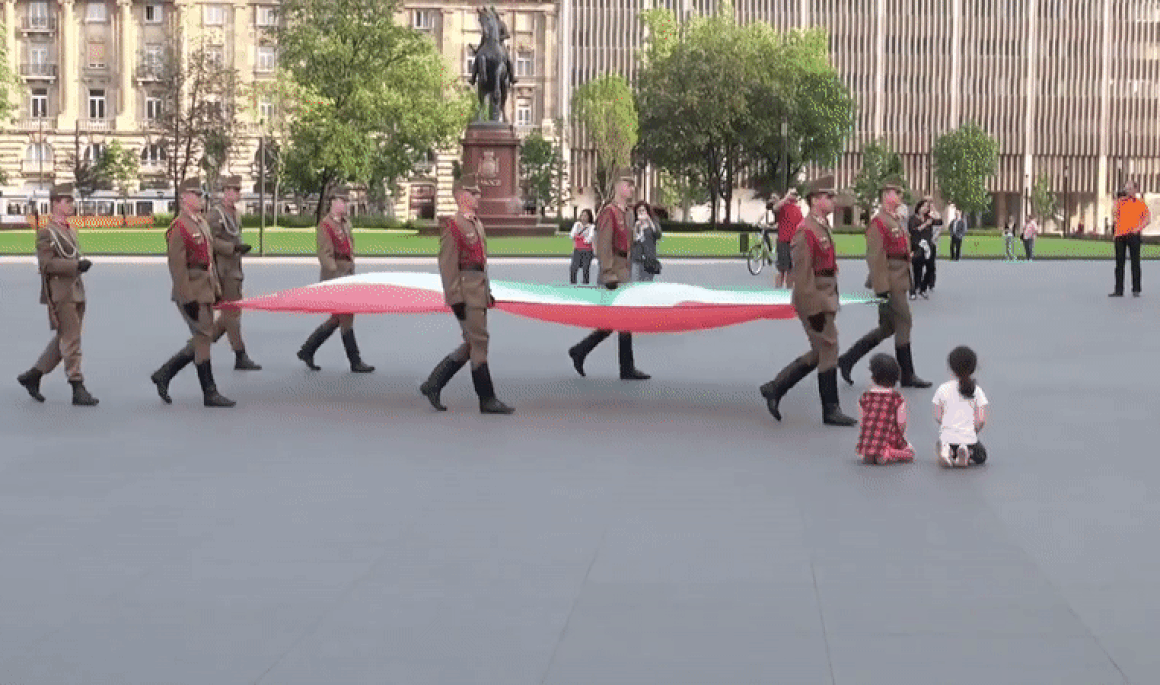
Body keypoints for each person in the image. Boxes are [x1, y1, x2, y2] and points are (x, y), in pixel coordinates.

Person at [759, 174, 857, 427]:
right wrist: (813, 310)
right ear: (814, 200)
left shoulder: (820, 226)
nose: (832, 200)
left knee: (821, 350)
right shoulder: (805, 231)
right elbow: (802, 277)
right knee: (829, 347)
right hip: (813, 298)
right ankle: (830, 409)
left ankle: (775, 388)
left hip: (825, 295)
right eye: (828, 196)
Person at [420, 172, 514, 415]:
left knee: (474, 342)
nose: (477, 196)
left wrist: (487, 290)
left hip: (477, 292)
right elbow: (448, 266)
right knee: (479, 342)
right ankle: (487, 398)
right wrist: (455, 299)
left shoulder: (476, 224)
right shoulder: (454, 226)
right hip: (465, 294)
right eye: (473, 193)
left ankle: (434, 383)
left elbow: (481, 263)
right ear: (461, 195)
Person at [837, 177, 932, 389]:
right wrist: (881, 288)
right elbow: (875, 257)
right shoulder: (879, 222)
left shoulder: (893, 220)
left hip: (899, 276)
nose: (900, 197)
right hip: (890, 280)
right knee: (904, 321)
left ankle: (848, 359)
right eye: (896, 193)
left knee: (888, 327)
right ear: (887, 195)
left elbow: (899, 248)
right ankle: (907, 374)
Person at [149, 177, 235, 408]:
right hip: (191, 290)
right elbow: (177, 269)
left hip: (205, 287)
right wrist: (187, 299)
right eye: (196, 194)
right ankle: (209, 392)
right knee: (204, 337)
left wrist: (216, 289)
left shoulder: (201, 224)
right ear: (184, 198)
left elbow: (209, 261)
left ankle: (165, 374)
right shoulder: (179, 228)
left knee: (203, 336)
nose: (200, 198)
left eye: (201, 194)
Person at [17, 183, 99, 406]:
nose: (72, 204)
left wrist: (77, 267)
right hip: (61, 293)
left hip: (75, 289)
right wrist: (75, 266)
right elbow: (46, 264)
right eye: (67, 201)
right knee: (71, 340)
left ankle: (33, 375)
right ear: (55, 203)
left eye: (71, 200)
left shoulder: (69, 230)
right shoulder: (47, 232)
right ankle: (77, 385)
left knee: (66, 338)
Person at [567, 169, 650, 381]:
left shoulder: (628, 213)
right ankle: (621, 366)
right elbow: (603, 245)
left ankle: (583, 352)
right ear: (617, 187)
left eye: (632, 185)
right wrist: (607, 273)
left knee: (620, 320)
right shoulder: (609, 212)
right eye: (627, 185)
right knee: (618, 319)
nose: (631, 189)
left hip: (625, 266)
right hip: (613, 268)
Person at [295, 185, 374, 373]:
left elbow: (350, 245)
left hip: (347, 271)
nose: (346, 204)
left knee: (339, 317)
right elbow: (325, 255)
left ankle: (307, 350)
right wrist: (335, 279)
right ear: (334, 202)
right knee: (345, 316)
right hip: (336, 274)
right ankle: (355, 361)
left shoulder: (345, 223)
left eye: (346, 201)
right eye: (343, 201)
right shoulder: (326, 226)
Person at [206, 174, 261, 370]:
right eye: (235, 190)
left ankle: (199, 344)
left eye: (238, 190)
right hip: (223, 270)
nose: (238, 194)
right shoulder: (215, 214)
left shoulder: (235, 214)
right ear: (226, 191)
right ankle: (240, 354)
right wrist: (232, 248)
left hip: (234, 269)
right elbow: (209, 241)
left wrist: (239, 248)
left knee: (231, 313)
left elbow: (234, 234)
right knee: (232, 313)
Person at [933, 345, 989, 467]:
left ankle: (947, 450)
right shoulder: (977, 391)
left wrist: (947, 425)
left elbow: (937, 416)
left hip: (948, 435)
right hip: (968, 438)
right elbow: (981, 420)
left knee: (948, 441)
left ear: (951, 368)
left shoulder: (943, 388)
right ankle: (965, 453)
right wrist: (973, 430)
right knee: (981, 455)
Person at [855, 354, 915, 465]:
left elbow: (863, 419)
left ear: (873, 377)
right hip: (887, 439)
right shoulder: (896, 398)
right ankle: (888, 452)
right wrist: (900, 437)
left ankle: (870, 453)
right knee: (910, 452)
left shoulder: (865, 396)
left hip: (868, 440)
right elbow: (901, 423)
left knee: (873, 446)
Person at [1110, 181, 1152, 297]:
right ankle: (1118, 290)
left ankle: (1136, 289)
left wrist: (1138, 229)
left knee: (1135, 262)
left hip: (1133, 235)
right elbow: (1114, 214)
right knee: (1119, 263)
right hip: (1120, 235)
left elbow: (1147, 219)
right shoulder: (1120, 202)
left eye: (1129, 188)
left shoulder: (1140, 203)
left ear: (1135, 189)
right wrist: (1116, 200)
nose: (1127, 191)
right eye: (1126, 188)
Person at [773, 188, 802, 289]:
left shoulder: (798, 209)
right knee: (781, 269)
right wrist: (786, 198)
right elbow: (775, 208)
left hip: (794, 243)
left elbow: (801, 226)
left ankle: (788, 292)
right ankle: (778, 290)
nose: (793, 196)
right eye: (792, 194)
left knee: (791, 270)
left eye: (795, 194)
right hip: (783, 242)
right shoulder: (783, 207)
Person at [908, 199, 935, 299]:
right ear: (919, 207)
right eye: (923, 206)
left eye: (927, 207)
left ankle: (923, 288)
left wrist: (934, 210)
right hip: (917, 246)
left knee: (930, 268)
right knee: (917, 269)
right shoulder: (913, 218)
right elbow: (913, 231)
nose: (925, 208)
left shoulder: (929, 218)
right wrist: (925, 225)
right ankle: (914, 290)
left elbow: (940, 222)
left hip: (928, 246)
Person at [630, 200, 662, 283]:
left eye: (643, 210)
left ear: (647, 211)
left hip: (649, 259)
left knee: (647, 284)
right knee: (636, 282)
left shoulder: (653, 221)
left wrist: (649, 221)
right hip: (637, 258)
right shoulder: (634, 222)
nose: (641, 212)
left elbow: (658, 234)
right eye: (639, 211)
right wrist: (636, 227)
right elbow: (632, 240)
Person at [569, 209, 596, 284]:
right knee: (573, 268)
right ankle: (573, 283)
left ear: (589, 217)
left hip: (587, 251)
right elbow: (571, 235)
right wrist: (577, 237)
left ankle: (585, 284)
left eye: (585, 216)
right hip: (577, 250)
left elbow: (590, 238)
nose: (583, 217)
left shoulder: (592, 227)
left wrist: (581, 238)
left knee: (585, 268)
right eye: (582, 215)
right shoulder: (577, 225)